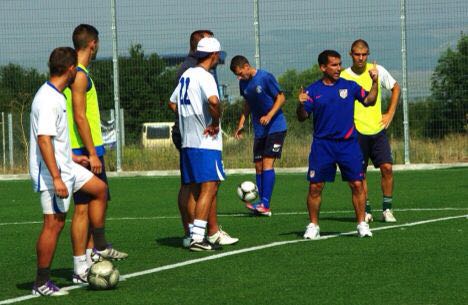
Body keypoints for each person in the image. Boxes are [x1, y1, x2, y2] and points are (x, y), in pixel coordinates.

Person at [29, 47, 116, 296]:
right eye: (75, 69)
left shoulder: (57, 94)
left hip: (66, 166)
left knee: (99, 189)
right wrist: (56, 177)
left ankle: (98, 245)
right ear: (70, 70)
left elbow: (54, 141)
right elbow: (44, 140)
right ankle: (41, 283)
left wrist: (73, 157)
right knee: (53, 225)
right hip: (51, 174)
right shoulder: (47, 99)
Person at [64, 24, 127, 284]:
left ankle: (91, 255)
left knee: (94, 203)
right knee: (82, 208)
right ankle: (82, 262)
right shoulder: (79, 75)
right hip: (84, 151)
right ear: (93, 44)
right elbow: (80, 116)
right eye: (97, 44)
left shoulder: (78, 73)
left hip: (88, 150)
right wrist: (91, 152)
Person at [296, 50, 379, 239]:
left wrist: (374, 82)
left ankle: (361, 224)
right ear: (322, 67)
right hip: (322, 146)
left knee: (357, 184)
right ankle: (313, 225)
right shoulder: (313, 90)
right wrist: (300, 104)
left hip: (347, 144)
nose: (338, 68)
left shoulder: (350, 86)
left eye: (339, 64)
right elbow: (302, 117)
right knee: (315, 186)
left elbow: (369, 100)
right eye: (333, 65)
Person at [171, 30, 238, 248]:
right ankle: (199, 237)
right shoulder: (205, 76)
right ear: (214, 54)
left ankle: (192, 233)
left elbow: (172, 103)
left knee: (191, 186)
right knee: (210, 187)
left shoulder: (186, 75)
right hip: (205, 143)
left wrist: (188, 119)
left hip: (188, 141)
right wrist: (214, 123)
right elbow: (214, 101)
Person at [341, 39, 400, 223]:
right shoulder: (343, 76)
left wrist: (389, 113)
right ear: (350, 54)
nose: (360, 58)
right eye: (357, 54)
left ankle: (387, 209)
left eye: (364, 54)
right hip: (356, 132)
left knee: (387, 168)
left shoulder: (377, 70)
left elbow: (396, 88)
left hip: (377, 130)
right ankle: (365, 210)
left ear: (368, 54)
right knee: (360, 173)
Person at [230, 55, 287, 216]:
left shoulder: (265, 77)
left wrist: (269, 115)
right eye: (237, 75)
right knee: (258, 165)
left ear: (247, 66)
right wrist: (241, 123)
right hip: (260, 129)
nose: (239, 77)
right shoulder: (243, 83)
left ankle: (265, 204)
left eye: (241, 73)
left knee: (268, 163)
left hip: (276, 127)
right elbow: (248, 102)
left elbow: (281, 98)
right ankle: (261, 203)